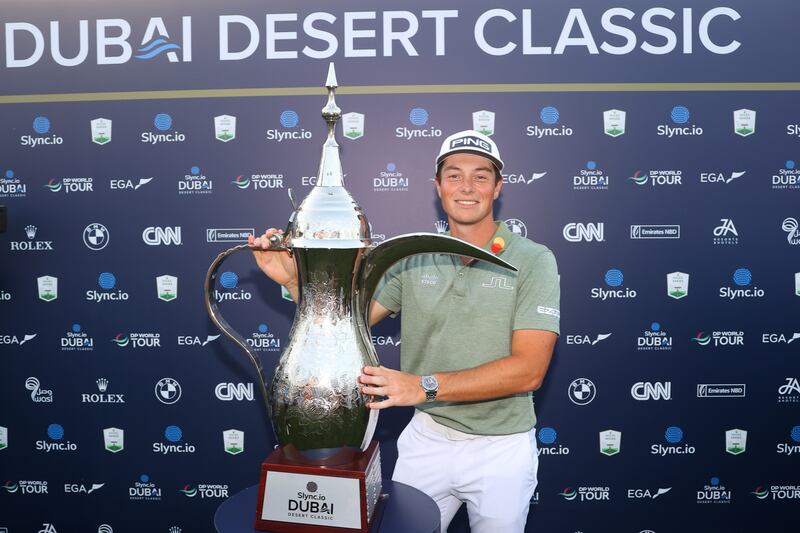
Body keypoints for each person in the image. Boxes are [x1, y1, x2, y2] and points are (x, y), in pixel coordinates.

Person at [250, 130, 560, 532]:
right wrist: (294, 282)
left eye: (481, 176)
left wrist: (423, 386)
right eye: (454, 175)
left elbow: (529, 370)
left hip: (501, 449)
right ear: (438, 186)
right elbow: (345, 319)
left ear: (498, 187)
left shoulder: (533, 260)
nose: (467, 187)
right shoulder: (414, 257)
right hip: (427, 439)